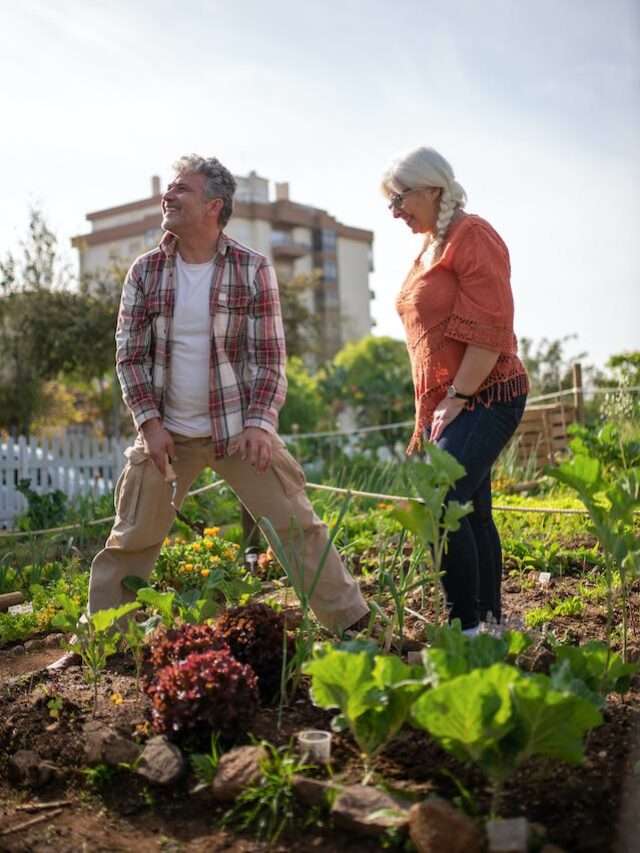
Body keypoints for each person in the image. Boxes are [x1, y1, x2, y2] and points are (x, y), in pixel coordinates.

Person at [49, 154, 368, 669]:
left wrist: (262, 424)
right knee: (131, 537)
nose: (167, 197)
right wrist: (149, 425)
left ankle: (353, 625)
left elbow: (269, 359)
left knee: (296, 525)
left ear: (213, 206)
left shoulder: (252, 268)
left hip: (238, 431)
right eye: (168, 190)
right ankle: (100, 646)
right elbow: (129, 355)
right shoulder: (147, 270)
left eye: (181, 191)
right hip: (167, 434)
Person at [381, 146, 528, 636]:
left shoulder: (472, 235)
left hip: (487, 392)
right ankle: (489, 626)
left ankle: (464, 628)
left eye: (401, 199)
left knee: (440, 501)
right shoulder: (430, 248)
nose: (396, 211)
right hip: (455, 398)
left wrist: (458, 396)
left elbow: (491, 327)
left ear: (433, 188)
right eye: (391, 203)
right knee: (471, 511)